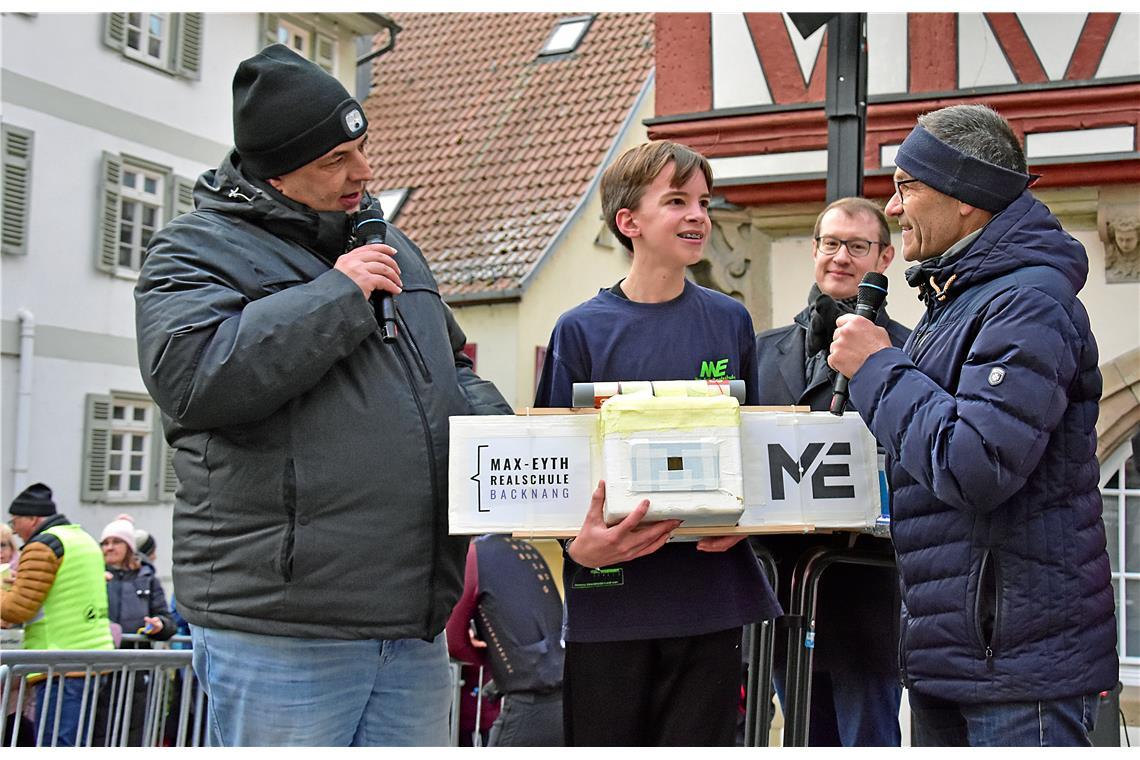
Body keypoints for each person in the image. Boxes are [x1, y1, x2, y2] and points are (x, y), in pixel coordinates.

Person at [133, 44, 511, 747]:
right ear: (276, 173)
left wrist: (508, 445)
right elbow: (195, 378)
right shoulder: (191, 252)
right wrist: (339, 294)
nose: (363, 173)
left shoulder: (390, 245)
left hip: (413, 621)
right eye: (336, 159)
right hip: (283, 629)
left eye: (361, 149)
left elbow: (451, 368)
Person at [827, 104, 1117, 746]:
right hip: (962, 660)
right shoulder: (959, 301)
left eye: (907, 186)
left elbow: (977, 460)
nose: (893, 208)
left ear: (967, 198)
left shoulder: (1027, 303)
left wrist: (877, 368)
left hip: (1018, 673)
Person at [534, 140, 781, 746]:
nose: (699, 214)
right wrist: (578, 544)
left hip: (708, 595)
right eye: (677, 201)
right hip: (613, 602)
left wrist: (751, 517)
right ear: (629, 222)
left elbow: (752, 445)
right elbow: (550, 468)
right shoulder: (579, 329)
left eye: (703, 201)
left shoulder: (730, 321)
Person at [752, 197, 909, 746]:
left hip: (865, 595)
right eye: (830, 243)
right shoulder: (761, 351)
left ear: (885, 257)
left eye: (858, 247)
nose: (840, 257)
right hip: (783, 593)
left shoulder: (908, 351)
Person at [0, 483, 114, 746]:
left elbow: (18, 608)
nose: (15, 529)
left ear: (33, 518)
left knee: (55, 745)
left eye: (15, 521)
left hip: (59, 661)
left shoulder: (42, 545)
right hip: (92, 656)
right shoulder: (81, 538)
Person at [445, 535, 564, 746]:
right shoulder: (528, 551)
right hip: (564, 700)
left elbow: (453, 640)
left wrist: (490, 660)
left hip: (526, 703)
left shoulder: (475, 556)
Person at [94, 514, 175, 746]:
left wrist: (159, 625)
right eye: (105, 543)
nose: (109, 548)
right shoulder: (93, 574)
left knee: (133, 730)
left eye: (115, 542)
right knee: (98, 729)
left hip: (137, 667)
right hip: (100, 662)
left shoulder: (147, 578)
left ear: (129, 547)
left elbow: (167, 620)